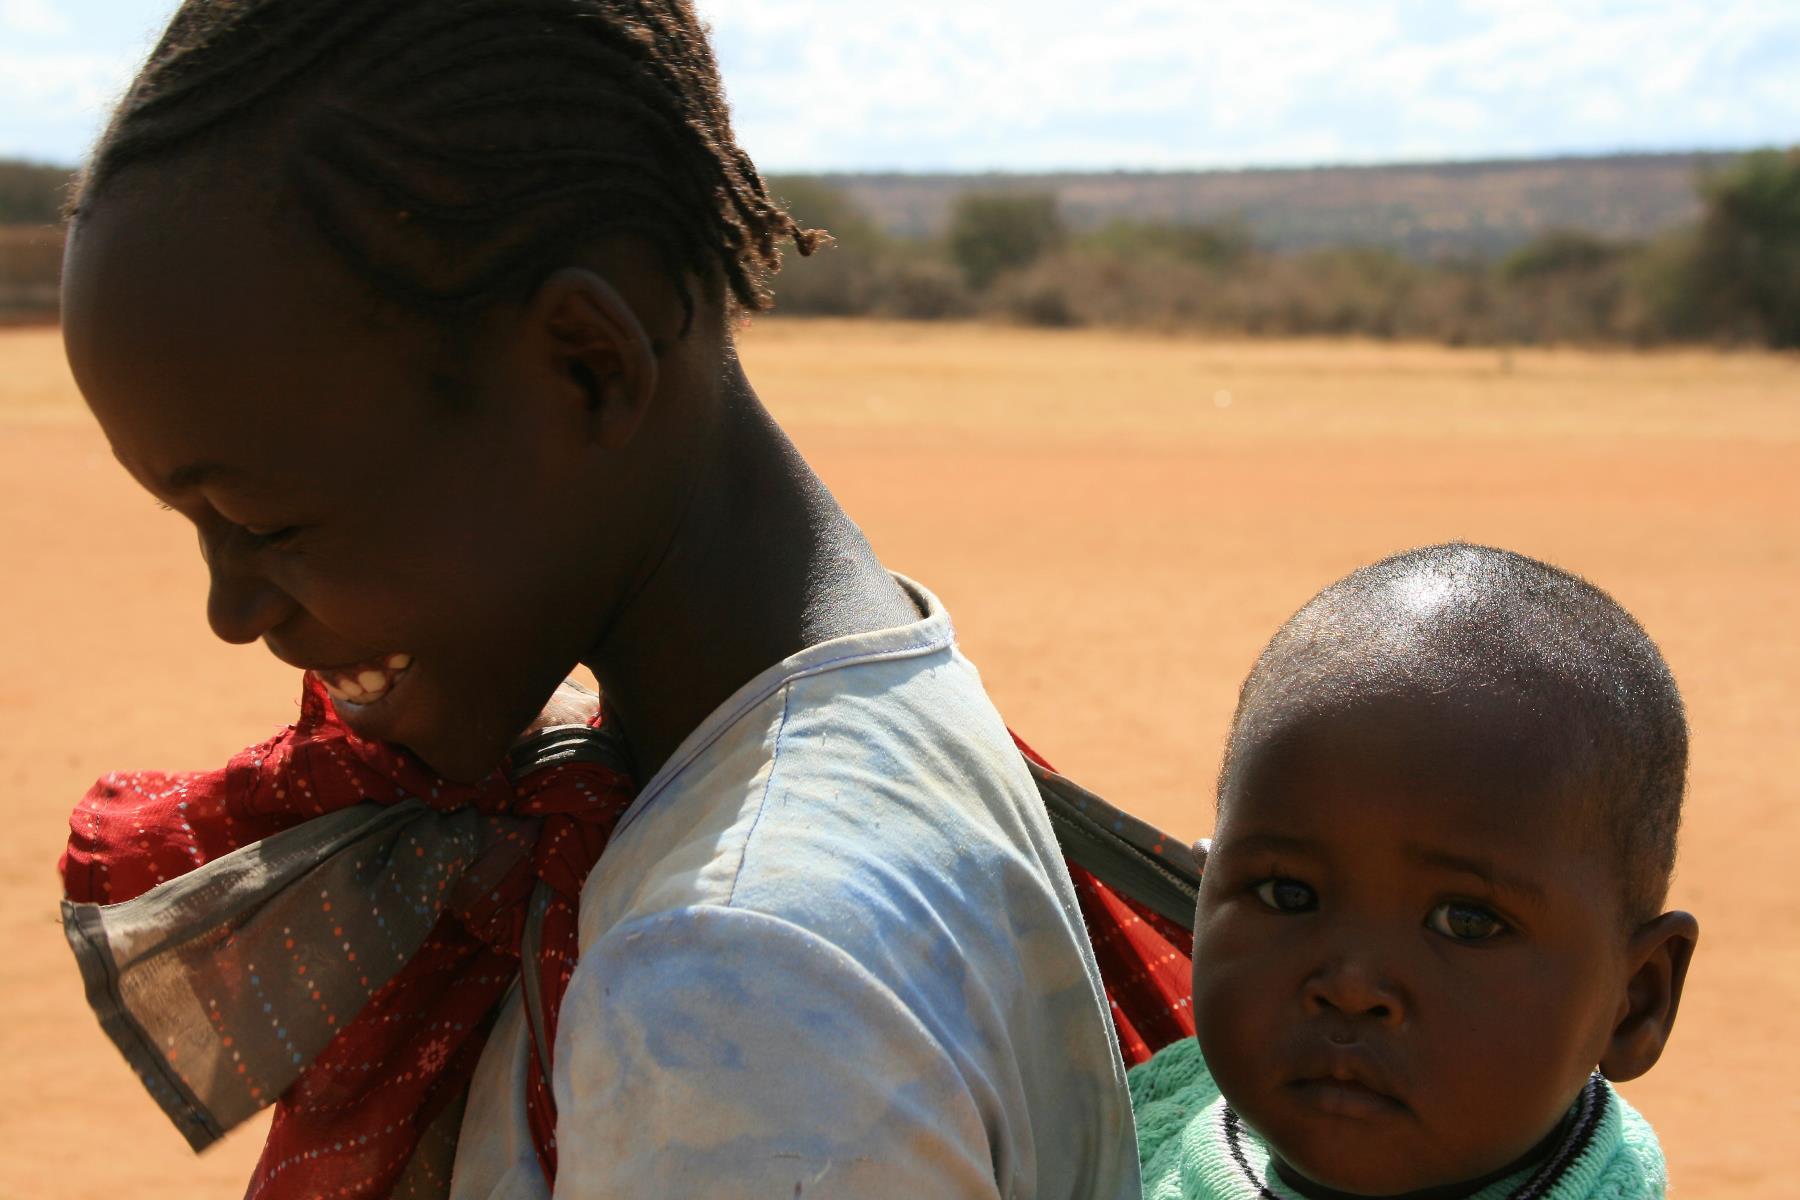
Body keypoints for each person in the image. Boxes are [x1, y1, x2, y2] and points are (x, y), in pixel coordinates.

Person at [54, 2, 1139, 1196]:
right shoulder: (874, 707)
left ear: (586, 368)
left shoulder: (737, 976)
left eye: (269, 524)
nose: (231, 608)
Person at [1129, 543, 1699, 1200]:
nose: (1350, 985)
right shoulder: (1141, 1108)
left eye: (1467, 921)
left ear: (1636, 1000)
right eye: (1289, 895)